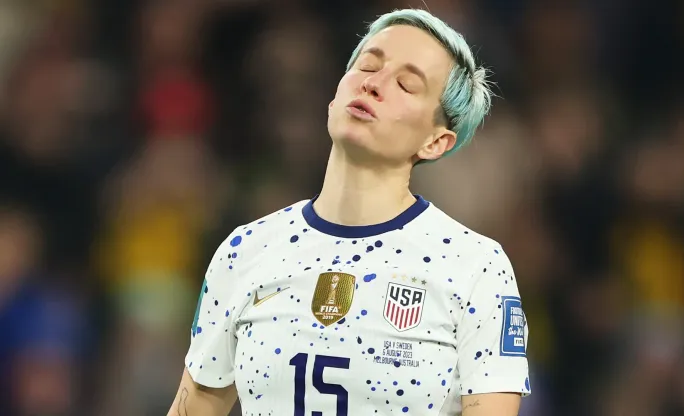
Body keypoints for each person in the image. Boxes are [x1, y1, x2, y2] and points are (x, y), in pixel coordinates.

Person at [167, 8, 531, 416]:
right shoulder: (246, 250)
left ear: (435, 142)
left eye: (406, 85)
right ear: (334, 96)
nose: (374, 84)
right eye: (367, 66)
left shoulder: (474, 266)